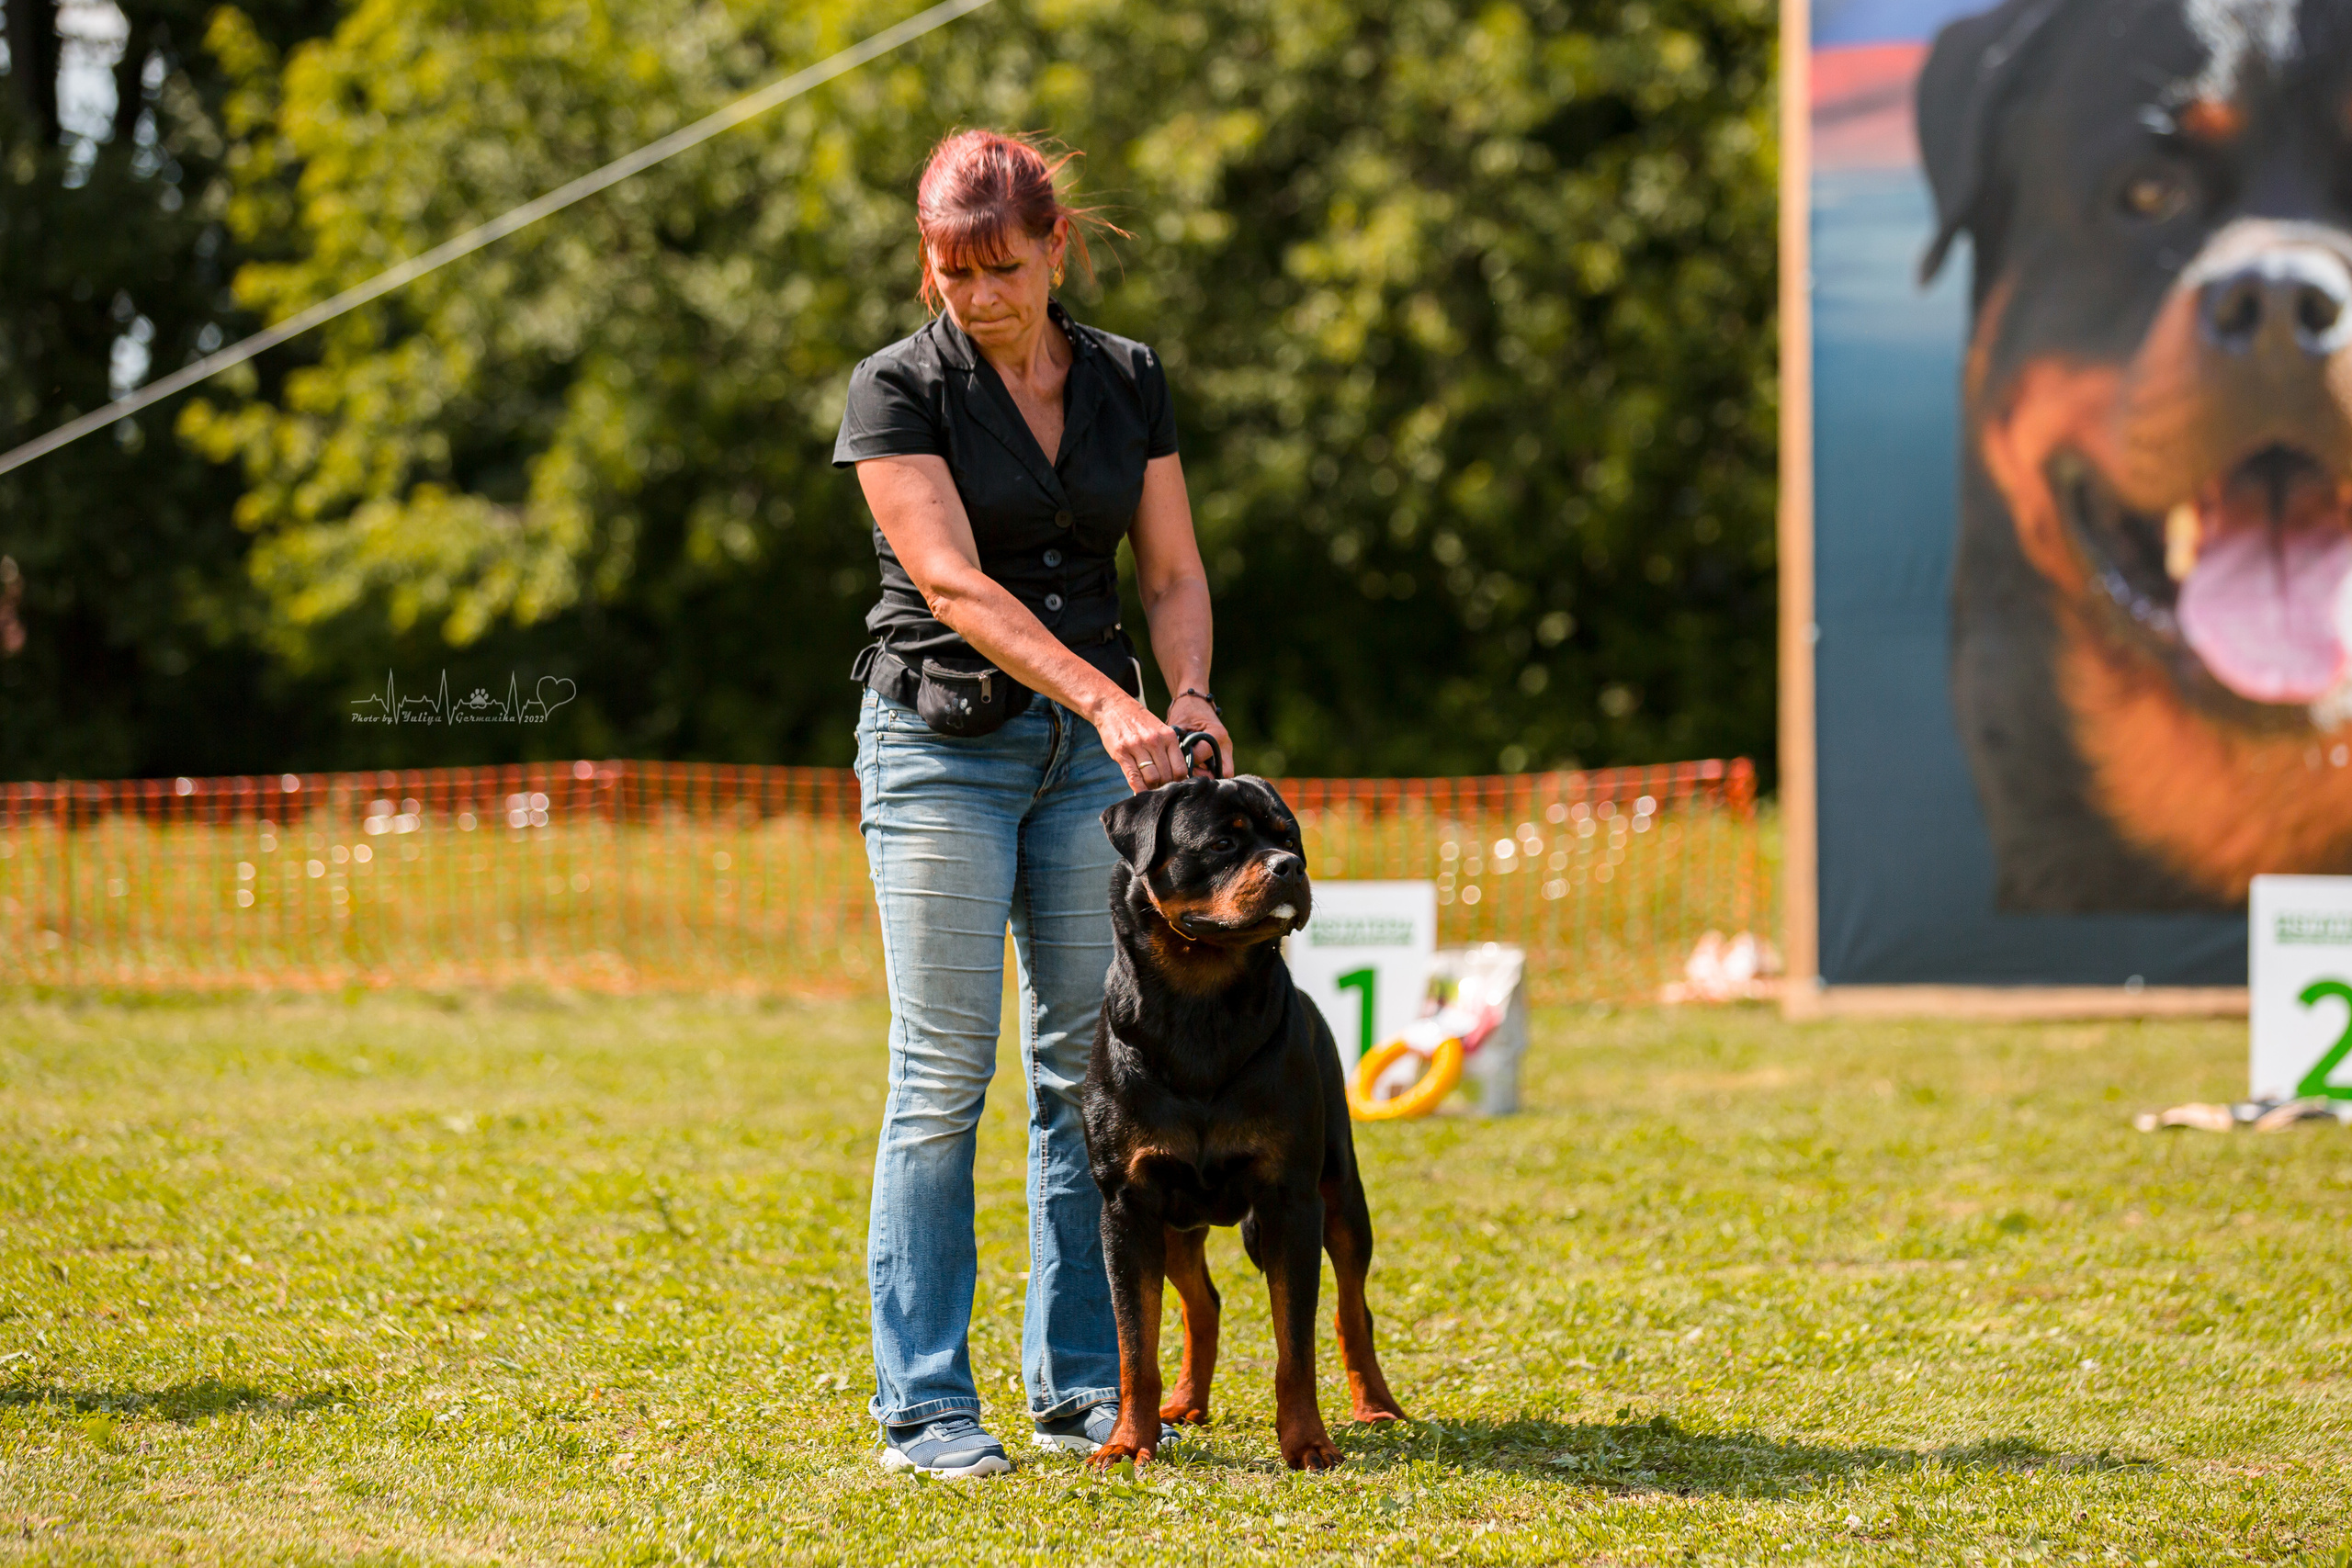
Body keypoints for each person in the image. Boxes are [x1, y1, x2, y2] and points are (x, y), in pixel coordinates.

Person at [833, 129, 1235, 1478]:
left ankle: (1079, 1388)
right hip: (940, 748)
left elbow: (1172, 572)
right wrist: (1104, 697)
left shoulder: (1130, 379)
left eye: (1001, 266)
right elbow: (951, 583)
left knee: (1085, 1073)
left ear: (1054, 248)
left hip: (1093, 773)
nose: (978, 294)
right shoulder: (896, 389)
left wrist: (1181, 693)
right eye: (952, 271)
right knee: (942, 1077)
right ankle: (928, 1408)